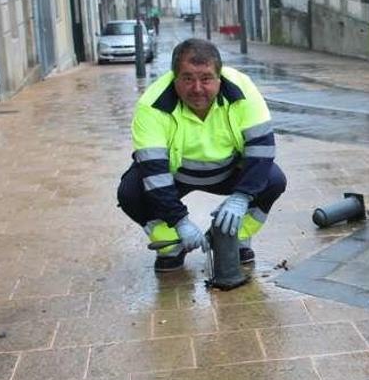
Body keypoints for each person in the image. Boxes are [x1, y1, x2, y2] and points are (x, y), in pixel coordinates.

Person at [117, 38, 286, 272]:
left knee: (273, 180)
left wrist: (242, 197)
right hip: (176, 176)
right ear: (174, 78)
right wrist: (180, 222)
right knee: (130, 192)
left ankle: (233, 236)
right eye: (187, 79)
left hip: (229, 171)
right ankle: (172, 245)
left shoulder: (243, 90)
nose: (197, 89)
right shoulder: (151, 105)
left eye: (206, 79)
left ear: (219, 76)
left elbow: (262, 151)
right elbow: (154, 172)